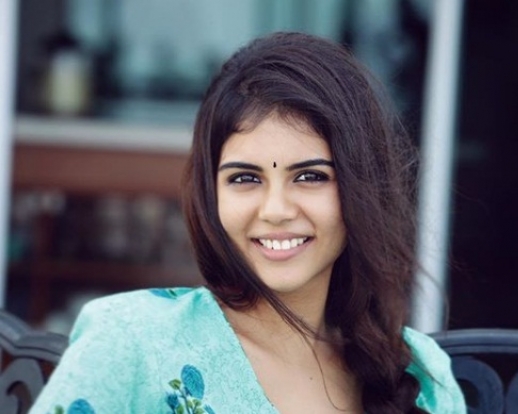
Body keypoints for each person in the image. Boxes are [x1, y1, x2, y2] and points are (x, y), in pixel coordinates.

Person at [30, 32, 466, 414]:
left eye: (309, 176)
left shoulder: (421, 376)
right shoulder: (133, 341)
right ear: (211, 193)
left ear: (363, 186)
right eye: (245, 178)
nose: (275, 210)